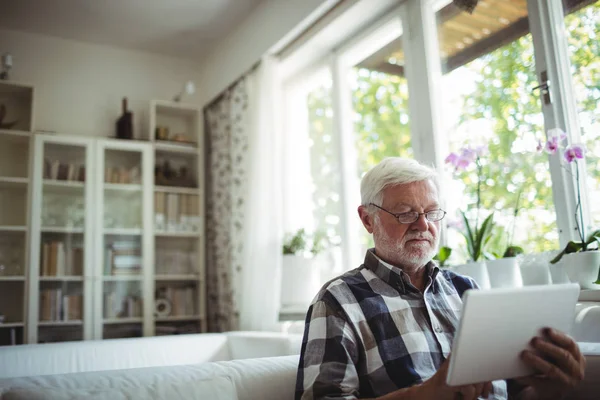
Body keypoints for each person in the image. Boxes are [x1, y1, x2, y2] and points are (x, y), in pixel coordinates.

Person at [295, 157, 585, 400]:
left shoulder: (467, 290)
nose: (423, 225)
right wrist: (424, 394)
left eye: (432, 212)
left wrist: (550, 389)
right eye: (406, 213)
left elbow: (508, 391)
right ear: (368, 219)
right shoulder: (339, 300)